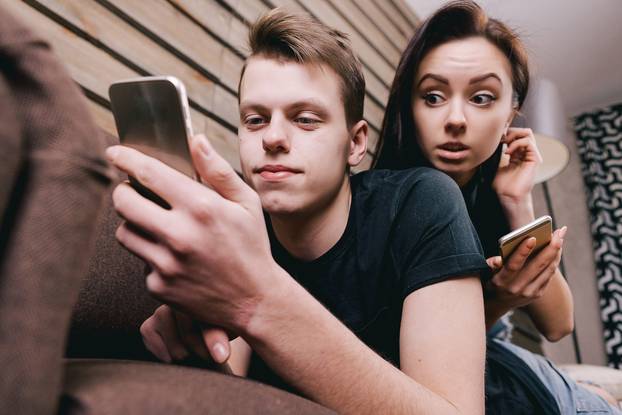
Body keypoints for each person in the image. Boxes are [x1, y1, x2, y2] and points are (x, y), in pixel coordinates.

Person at [107, 8, 490, 415]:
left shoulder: (421, 202)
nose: (272, 137)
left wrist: (257, 297)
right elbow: (233, 388)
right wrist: (203, 355)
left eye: (305, 120)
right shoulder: (238, 226)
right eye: (254, 120)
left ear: (356, 143)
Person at [373, 1, 621, 413]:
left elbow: (559, 324)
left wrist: (516, 201)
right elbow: (396, 355)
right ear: (409, 107)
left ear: (510, 115)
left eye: (482, 97)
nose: (455, 118)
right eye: (432, 96)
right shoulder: (382, 203)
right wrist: (500, 300)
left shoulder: (492, 196)